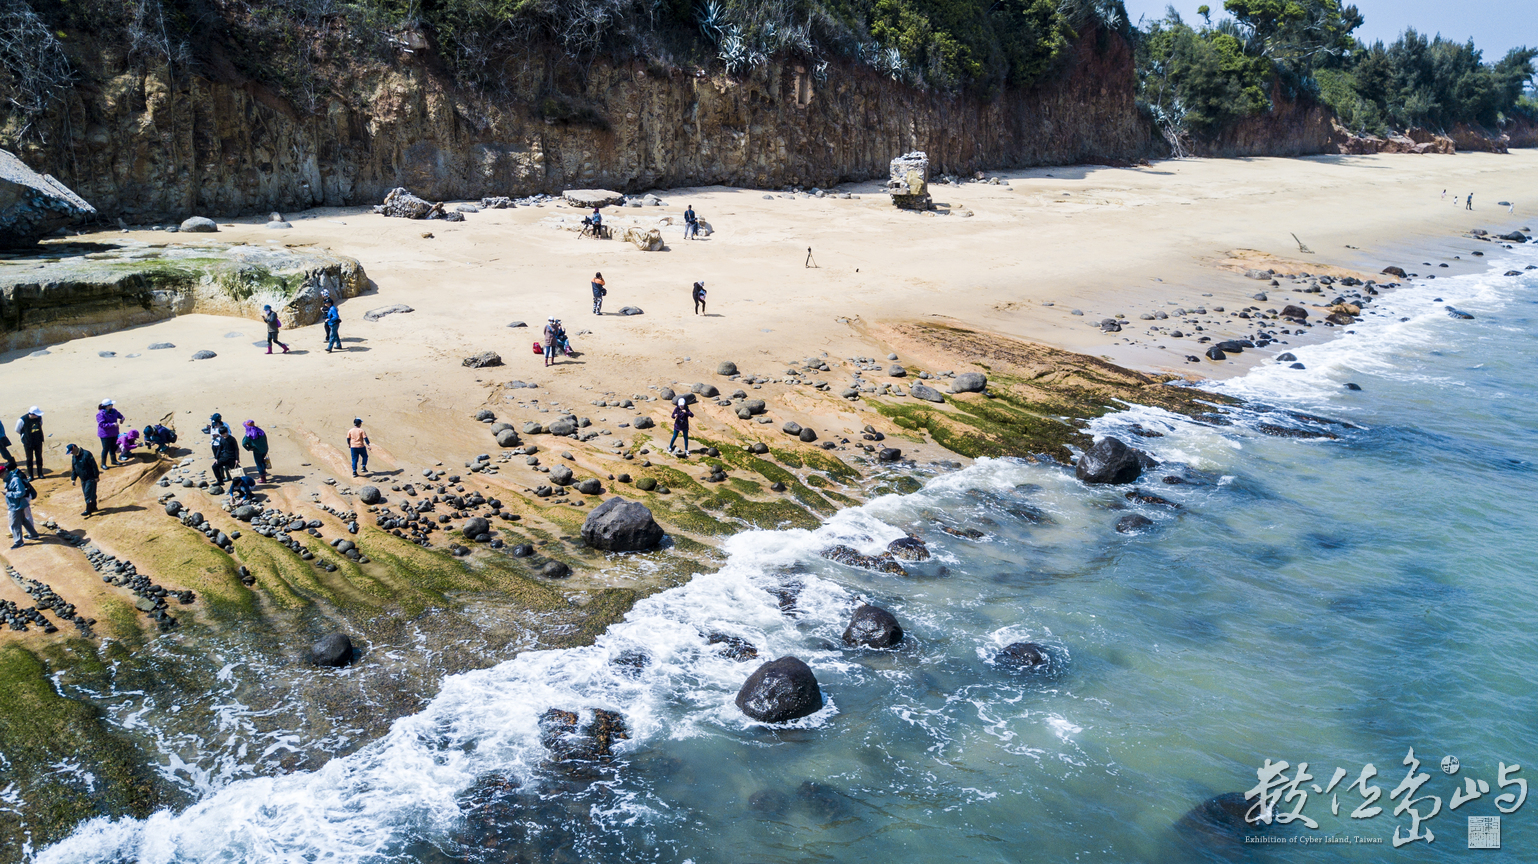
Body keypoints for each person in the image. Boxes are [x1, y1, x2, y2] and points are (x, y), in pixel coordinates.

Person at [3, 464, 39, 548]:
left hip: (17, 505)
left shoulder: (15, 480)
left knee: (15, 524)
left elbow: (21, 493)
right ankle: (34, 535)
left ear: (4, 473)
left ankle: (18, 542)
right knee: (24, 520)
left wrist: (8, 493)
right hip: (16, 504)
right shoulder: (9, 480)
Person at [66, 443, 99, 517]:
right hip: (83, 478)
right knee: (90, 493)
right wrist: (73, 479)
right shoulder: (74, 457)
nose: (71, 454)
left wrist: (96, 476)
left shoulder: (86, 454)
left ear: (74, 448)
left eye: (71, 452)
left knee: (88, 494)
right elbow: (74, 468)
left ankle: (88, 509)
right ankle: (93, 507)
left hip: (90, 478)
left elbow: (94, 466)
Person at [97, 399, 125, 468]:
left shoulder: (114, 411)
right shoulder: (100, 414)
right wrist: (112, 425)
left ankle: (114, 460)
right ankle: (103, 464)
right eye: (111, 404)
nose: (112, 405)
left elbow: (120, 415)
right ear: (107, 406)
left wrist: (122, 418)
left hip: (114, 433)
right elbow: (102, 425)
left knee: (112, 447)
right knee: (105, 449)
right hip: (105, 435)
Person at [16, 407, 44, 476]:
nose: (37, 416)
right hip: (28, 442)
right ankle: (30, 475)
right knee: (29, 458)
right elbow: (17, 429)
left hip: (38, 441)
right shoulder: (22, 420)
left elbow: (40, 424)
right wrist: (25, 435)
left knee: (39, 457)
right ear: (31, 414)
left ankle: (40, 473)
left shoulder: (39, 418)